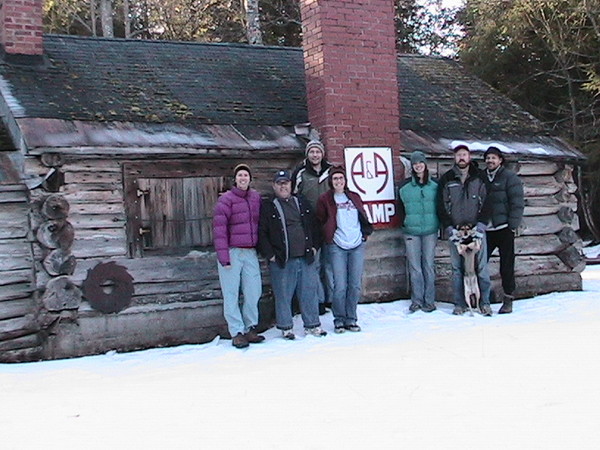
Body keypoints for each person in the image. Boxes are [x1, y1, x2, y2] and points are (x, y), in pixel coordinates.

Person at [258, 169, 327, 340]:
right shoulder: (269, 206)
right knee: (283, 294)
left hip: (305, 257)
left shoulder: (301, 203)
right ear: (274, 186)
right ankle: (286, 327)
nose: (283, 186)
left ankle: (312, 325)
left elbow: (314, 226)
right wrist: (270, 254)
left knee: (309, 292)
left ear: (291, 185)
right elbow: (261, 233)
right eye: (279, 183)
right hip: (282, 259)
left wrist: (315, 247)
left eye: (286, 183)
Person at [437, 145, 493, 316]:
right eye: (458, 155)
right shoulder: (447, 179)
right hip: (456, 231)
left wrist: (481, 226)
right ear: (454, 158)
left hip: (477, 230)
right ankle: (459, 303)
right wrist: (449, 228)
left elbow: (488, 201)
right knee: (457, 269)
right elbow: (441, 205)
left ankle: (485, 302)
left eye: (464, 155)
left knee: (481, 267)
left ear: (469, 157)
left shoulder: (480, 177)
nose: (461, 158)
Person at [316, 166, 373, 333]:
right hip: (337, 246)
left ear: (345, 181)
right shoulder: (325, 199)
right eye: (335, 179)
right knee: (339, 285)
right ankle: (339, 319)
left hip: (356, 244)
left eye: (341, 178)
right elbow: (320, 220)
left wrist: (364, 234)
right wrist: (328, 236)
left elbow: (362, 215)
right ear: (331, 182)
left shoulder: (354, 197)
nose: (338, 181)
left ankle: (351, 318)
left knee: (354, 284)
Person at [213, 164, 264, 348]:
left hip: (250, 251)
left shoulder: (256, 198)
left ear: (250, 179)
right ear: (235, 179)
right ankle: (237, 331)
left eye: (246, 175)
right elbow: (219, 229)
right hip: (232, 251)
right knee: (231, 293)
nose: (243, 178)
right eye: (240, 175)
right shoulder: (226, 200)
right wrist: (223, 256)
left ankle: (250, 327)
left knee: (253, 291)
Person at [292, 140, 333, 314]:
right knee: (314, 264)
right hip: (310, 226)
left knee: (330, 264)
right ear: (307, 154)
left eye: (318, 151)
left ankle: (333, 298)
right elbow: (294, 197)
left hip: (330, 223)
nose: (315, 155)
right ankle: (319, 300)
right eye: (312, 152)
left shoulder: (331, 171)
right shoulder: (301, 173)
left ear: (322, 154)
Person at [483, 146, 524, 314]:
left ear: (500, 160)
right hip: (485, 228)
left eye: (493, 158)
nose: (490, 161)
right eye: (488, 158)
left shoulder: (509, 177)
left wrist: (512, 225)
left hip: (504, 228)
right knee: (479, 264)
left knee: (506, 265)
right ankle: (483, 296)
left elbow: (517, 203)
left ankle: (508, 298)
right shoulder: (481, 177)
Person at [398, 151, 440, 313]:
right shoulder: (404, 187)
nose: (418, 166)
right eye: (415, 163)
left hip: (430, 229)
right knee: (415, 267)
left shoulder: (435, 185)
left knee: (428, 265)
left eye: (420, 163)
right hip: (411, 231)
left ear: (425, 164)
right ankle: (417, 300)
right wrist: (405, 223)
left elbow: (440, 206)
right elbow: (400, 208)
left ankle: (429, 300)